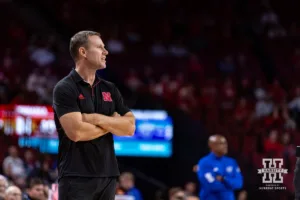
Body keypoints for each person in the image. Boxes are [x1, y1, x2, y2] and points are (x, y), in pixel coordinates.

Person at [53, 30, 136, 200]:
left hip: (108, 174)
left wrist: (96, 119)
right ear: (83, 52)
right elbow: (77, 133)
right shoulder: (65, 88)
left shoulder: (110, 88)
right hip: (75, 176)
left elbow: (130, 128)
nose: (106, 52)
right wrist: (112, 123)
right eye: (100, 47)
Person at [196, 135, 243, 200]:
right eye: (221, 143)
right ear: (212, 146)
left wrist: (224, 179)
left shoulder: (232, 162)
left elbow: (239, 183)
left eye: (225, 143)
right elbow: (211, 185)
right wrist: (229, 185)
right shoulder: (204, 162)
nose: (225, 146)